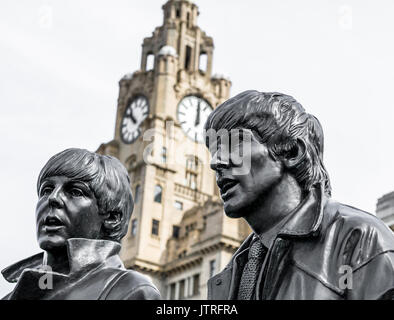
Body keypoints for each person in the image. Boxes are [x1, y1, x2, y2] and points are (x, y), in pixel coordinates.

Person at [204, 90, 394, 300]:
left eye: (236, 143)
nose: (216, 161)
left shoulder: (362, 240)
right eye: (215, 149)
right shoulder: (232, 273)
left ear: (292, 152)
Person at [2, 148, 161, 300]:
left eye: (75, 192)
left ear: (112, 217)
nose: (53, 198)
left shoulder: (128, 289)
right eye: (47, 189)